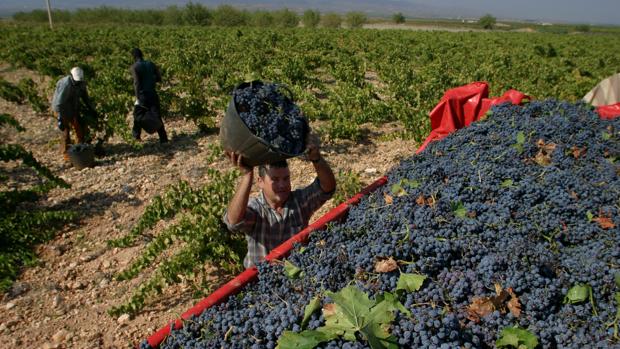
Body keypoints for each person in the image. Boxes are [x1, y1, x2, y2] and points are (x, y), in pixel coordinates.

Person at [223, 133, 336, 268]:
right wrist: (247, 175)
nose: (282, 185)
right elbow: (233, 222)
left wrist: (316, 159)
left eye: (286, 178)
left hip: (296, 274)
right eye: (275, 180)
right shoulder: (256, 209)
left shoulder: (299, 201)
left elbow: (327, 188)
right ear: (260, 182)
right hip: (263, 280)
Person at [51, 67, 95, 161]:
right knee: (66, 132)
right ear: (71, 76)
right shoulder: (65, 84)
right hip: (61, 109)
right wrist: (60, 118)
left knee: (79, 128)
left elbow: (85, 96)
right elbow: (59, 102)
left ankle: (80, 149)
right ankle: (66, 154)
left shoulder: (81, 82)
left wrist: (91, 108)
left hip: (72, 108)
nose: (78, 83)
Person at [130, 48, 168, 143]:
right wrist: (150, 81)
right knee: (157, 116)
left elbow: (137, 83)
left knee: (137, 115)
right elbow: (159, 78)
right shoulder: (151, 64)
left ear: (134, 57)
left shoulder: (134, 67)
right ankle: (164, 139)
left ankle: (136, 137)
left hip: (143, 95)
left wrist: (137, 97)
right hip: (153, 93)